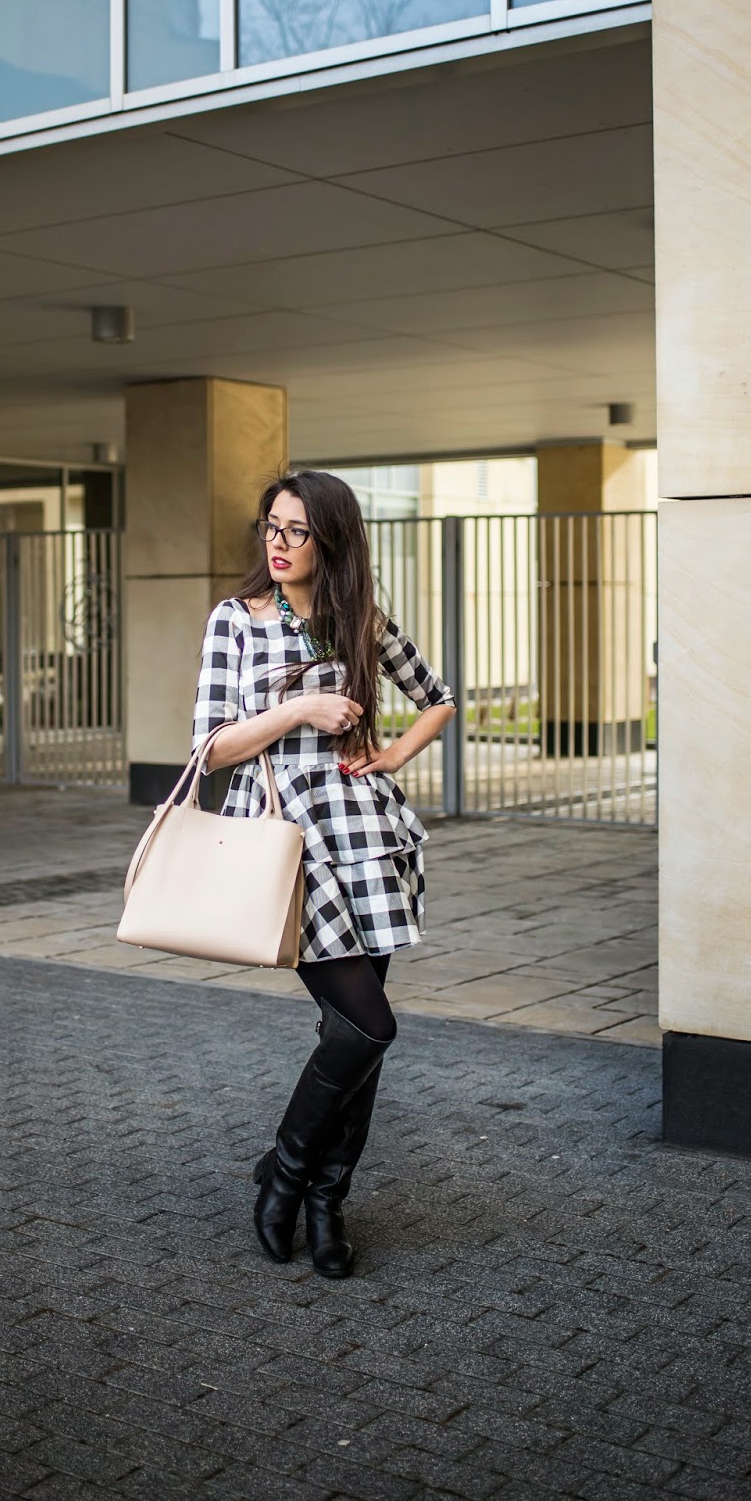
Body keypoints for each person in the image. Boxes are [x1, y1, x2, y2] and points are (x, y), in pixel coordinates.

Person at [192, 470, 456, 1277]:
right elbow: (210, 748)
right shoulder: (236, 619)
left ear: (331, 539)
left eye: (296, 531)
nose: (277, 543)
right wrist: (299, 710)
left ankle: (324, 1203)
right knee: (370, 1027)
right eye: (270, 526)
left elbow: (439, 698)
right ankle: (285, 1170)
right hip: (287, 840)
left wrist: (395, 754)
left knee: (352, 1034)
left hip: (365, 837)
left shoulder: (359, 620)